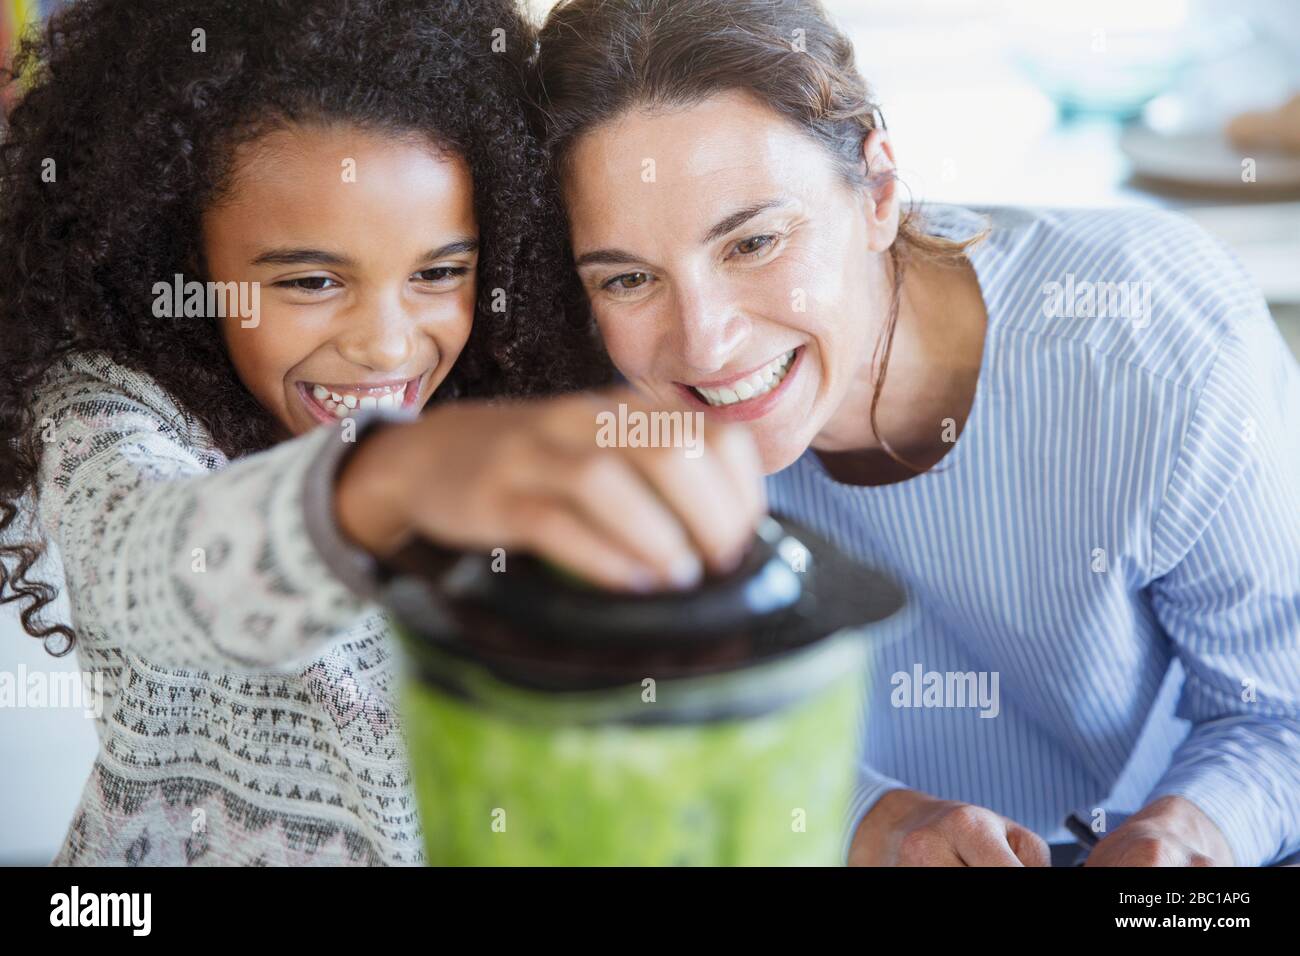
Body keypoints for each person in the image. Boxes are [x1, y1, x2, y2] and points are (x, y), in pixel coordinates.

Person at [533, 0, 1300, 866]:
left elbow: (1278, 710)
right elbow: (649, 717)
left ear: (879, 191)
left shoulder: (1156, 342)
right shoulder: (599, 413)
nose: (706, 342)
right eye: (630, 278)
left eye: (753, 243)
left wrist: (1186, 833)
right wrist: (874, 820)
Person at [0, 0, 762, 865]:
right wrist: (389, 478)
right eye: (313, 282)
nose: (388, 347)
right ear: (180, 258)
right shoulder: (109, 410)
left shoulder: (524, 401)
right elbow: (149, 565)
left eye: (439, 272)